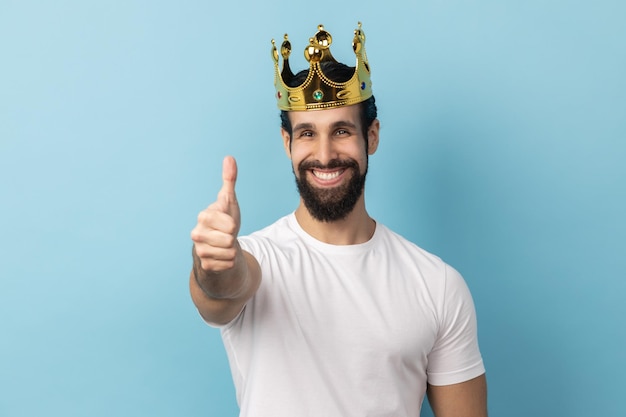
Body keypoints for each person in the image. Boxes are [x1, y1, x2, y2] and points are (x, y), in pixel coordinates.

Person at [190, 23, 487, 417]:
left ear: (373, 136)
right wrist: (213, 263)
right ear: (287, 144)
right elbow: (222, 290)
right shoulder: (256, 258)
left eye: (342, 131)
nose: (325, 154)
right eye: (308, 133)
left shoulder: (438, 285)